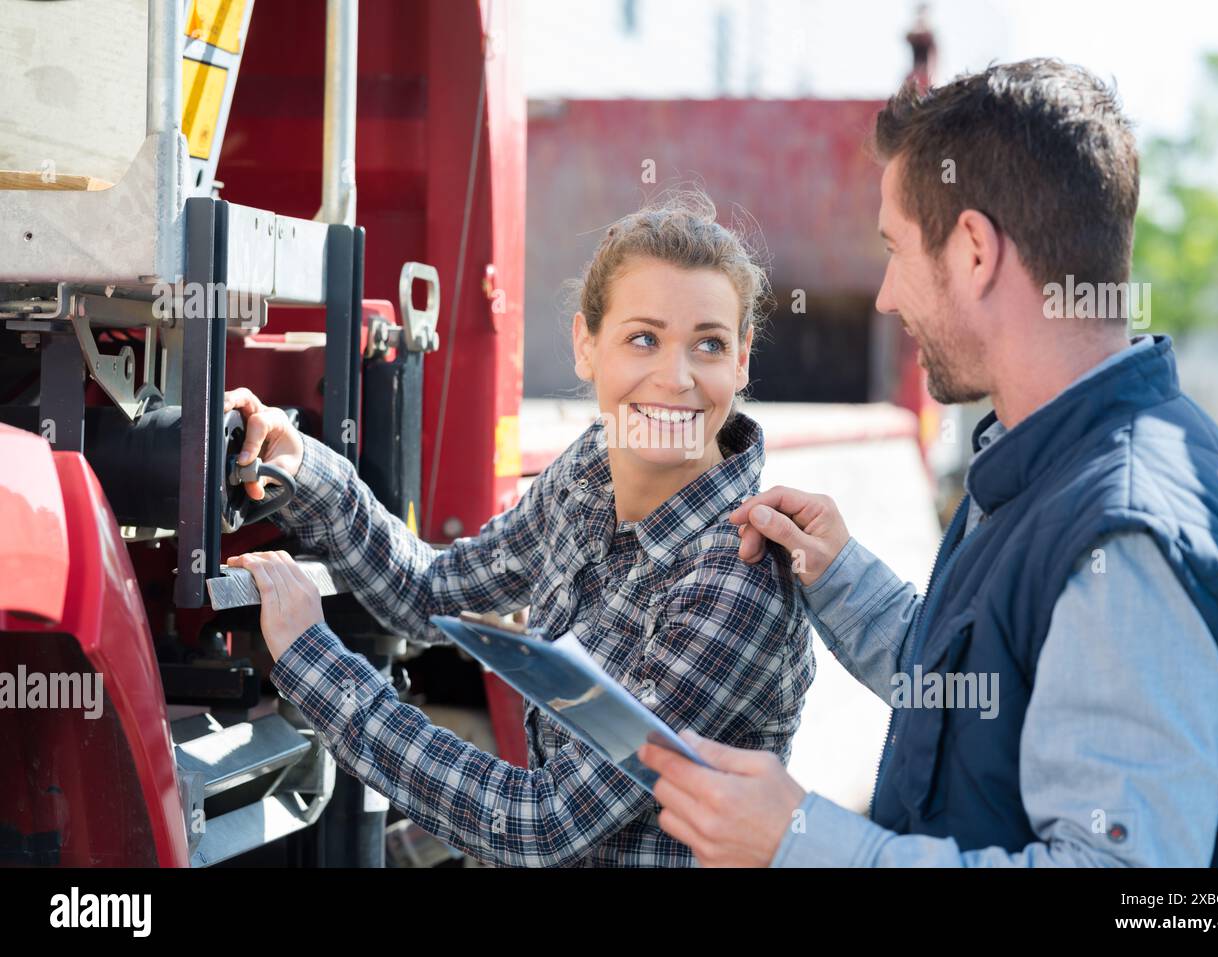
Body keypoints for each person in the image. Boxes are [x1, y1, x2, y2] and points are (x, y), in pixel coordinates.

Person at [640, 59, 1218, 867]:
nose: (885, 295)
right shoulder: (1062, 456)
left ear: (976, 251)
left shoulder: (1125, 532)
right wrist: (842, 578)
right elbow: (1000, 701)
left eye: (897, 249)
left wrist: (804, 840)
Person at [225, 193, 815, 867]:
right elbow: (433, 591)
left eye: (708, 344)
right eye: (643, 338)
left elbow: (541, 823)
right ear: (586, 345)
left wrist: (311, 658)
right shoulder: (591, 471)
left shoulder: (737, 576)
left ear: (741, 361)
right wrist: (305, 466)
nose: (675, 377)